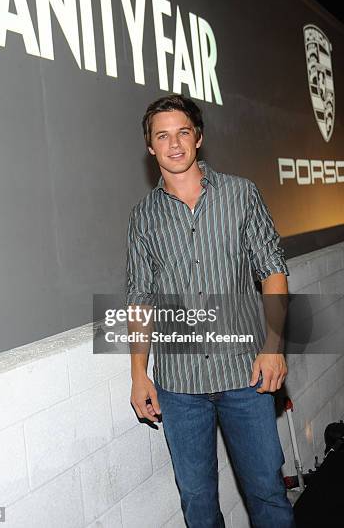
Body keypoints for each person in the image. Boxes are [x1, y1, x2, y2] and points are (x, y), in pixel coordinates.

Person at [125, 94, 295, 527]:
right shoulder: (143, 217)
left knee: (268, 495)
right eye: (162, 136)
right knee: (197, 505)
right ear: (151, 147)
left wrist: (274, 347)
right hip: (180, 388)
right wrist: (138, 374)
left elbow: (273, 272)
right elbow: (140, 298)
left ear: (198, 138)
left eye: (183, 132)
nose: (174, 144)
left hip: (246, 377)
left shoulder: (241, 194)